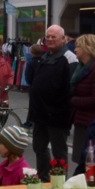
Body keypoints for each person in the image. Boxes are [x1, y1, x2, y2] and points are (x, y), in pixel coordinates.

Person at [26, 25, 72, 181]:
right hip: (40, 114)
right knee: (39, 147)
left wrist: (61, 110)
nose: (50, 39)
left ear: (63, 39)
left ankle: (59, 182)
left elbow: (70, 88)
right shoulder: (44, 57)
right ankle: (44, 178)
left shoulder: (68, 58)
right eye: (48, 36)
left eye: (54, 37)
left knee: (59, 151)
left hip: (57, 115)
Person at [70, 34, 95, 164]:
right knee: (81, 160)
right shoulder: (82, 69)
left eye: (78, 46)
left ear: (88, 49)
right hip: (83, 121)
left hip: (93, 124)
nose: (75, 49)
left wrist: (74, 101)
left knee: (89, 161)